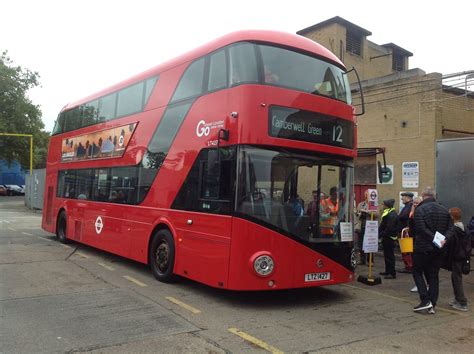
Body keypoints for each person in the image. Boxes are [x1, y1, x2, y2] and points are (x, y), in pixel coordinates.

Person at [412, 186, 451, 314]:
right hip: (439, 248)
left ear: (423, 196)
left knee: (417, 271)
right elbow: (452, 228)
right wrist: (443, 239)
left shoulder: (420, 210)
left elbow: (421, 229)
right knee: (433, 276)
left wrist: (434, 237)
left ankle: (425, 300)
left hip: (423, 247)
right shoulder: (444, 210)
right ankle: (432, 304)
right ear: (434, 196)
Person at [443, 207, 471, 311]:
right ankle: (457, 299)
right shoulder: (464, 228)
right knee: (455, 277)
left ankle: (462, 302)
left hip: (456, 257)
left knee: (457, 278)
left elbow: (450, 244)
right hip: (462, 256)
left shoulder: (454, 230)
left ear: (451, 217)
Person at [378, 199, 398, 279]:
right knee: (386, 255)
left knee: (390, 256)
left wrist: (381, 234)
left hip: (389, 237)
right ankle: (387, 271)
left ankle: (392, 273)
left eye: (383, 204)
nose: (382, 206)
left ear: (387, 205)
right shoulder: (388, 213)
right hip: (386, 237)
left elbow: (389, 228)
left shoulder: (392, 214)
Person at [408, 196, 423, 293]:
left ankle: (423, 285)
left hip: (421, 243)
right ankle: (419, 285)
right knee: (416, 265)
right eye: (413, 203)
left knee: (422, 266)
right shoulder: (413, 214)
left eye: (416, 203)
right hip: (414, 242)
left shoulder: (421, 213)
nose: (414, 205)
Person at [398, 192, 414, 273]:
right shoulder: (408, 206)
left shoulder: (409, 206)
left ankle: (409, 267)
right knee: (406, 250)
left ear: (408, 197)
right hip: (405, 231)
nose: (401, 199)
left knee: (406, 250)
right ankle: (408, 266)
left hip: (406, 232)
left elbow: (403, 216)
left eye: (403, 197)